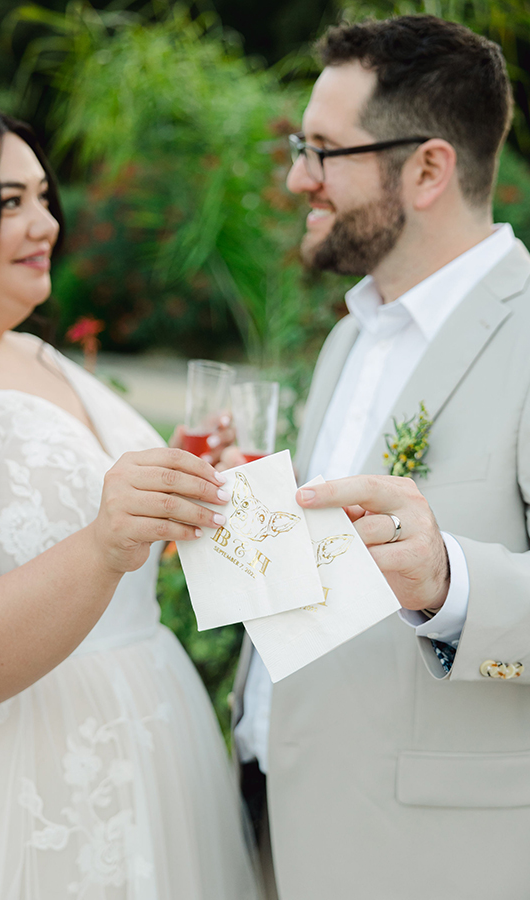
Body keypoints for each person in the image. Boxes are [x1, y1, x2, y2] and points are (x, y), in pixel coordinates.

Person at [0, 90, 261, 900]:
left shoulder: (36, 354)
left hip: (152, 734)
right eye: (10, 202)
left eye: (44, 197)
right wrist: (101, 544)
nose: (46, 223)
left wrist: (180, 489)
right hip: (32, 777)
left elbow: (94, 530)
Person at [233, 15, 530, 899]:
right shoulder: (350, 337)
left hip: (436, 860)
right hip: (278, 813)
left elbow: (430, 570)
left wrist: (451, 582)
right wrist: (237, 520)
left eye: (324, 151)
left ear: (428, 169)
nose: (298, 177)